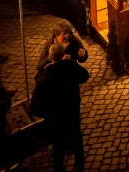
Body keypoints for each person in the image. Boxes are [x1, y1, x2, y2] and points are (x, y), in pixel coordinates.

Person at [32, 43, 90, 172]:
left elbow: (37, 98)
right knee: (76, 137)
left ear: (51, 56)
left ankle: (59, 168)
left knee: (58, 143)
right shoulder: (69, 67)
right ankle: (79, 163)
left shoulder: (47, 74)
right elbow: (85, 75)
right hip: (71, 110)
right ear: (63, 54)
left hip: (54, 115)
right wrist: (71, 64)